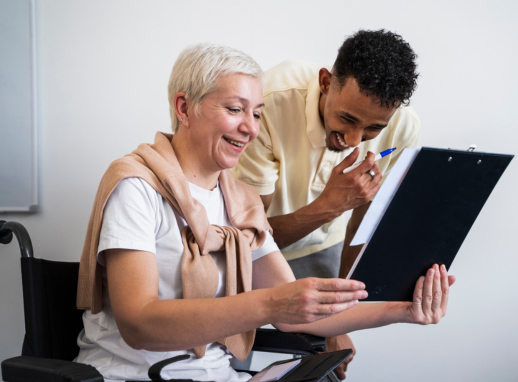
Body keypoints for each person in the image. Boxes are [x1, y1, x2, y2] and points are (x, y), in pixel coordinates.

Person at [74, 43, 454, 382]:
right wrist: (269, 303)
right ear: (184, 107)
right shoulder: (135, 187)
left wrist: (406, 309)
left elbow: (293, 313)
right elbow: (139, 324)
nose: (250, 129)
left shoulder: (241, 203)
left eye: (256, 114)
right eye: (235, 109)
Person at [234, 30, 421, 379]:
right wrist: (332, 204)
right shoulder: (269, 102)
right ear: (325, 82)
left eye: (372, 130)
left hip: (325, 249)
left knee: (324, 364)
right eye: (348, 119)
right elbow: (246, 241)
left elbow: (362, 224)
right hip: (257, 248)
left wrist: (340, 316)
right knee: (232, 353)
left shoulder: (404, 129)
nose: (353, 141)